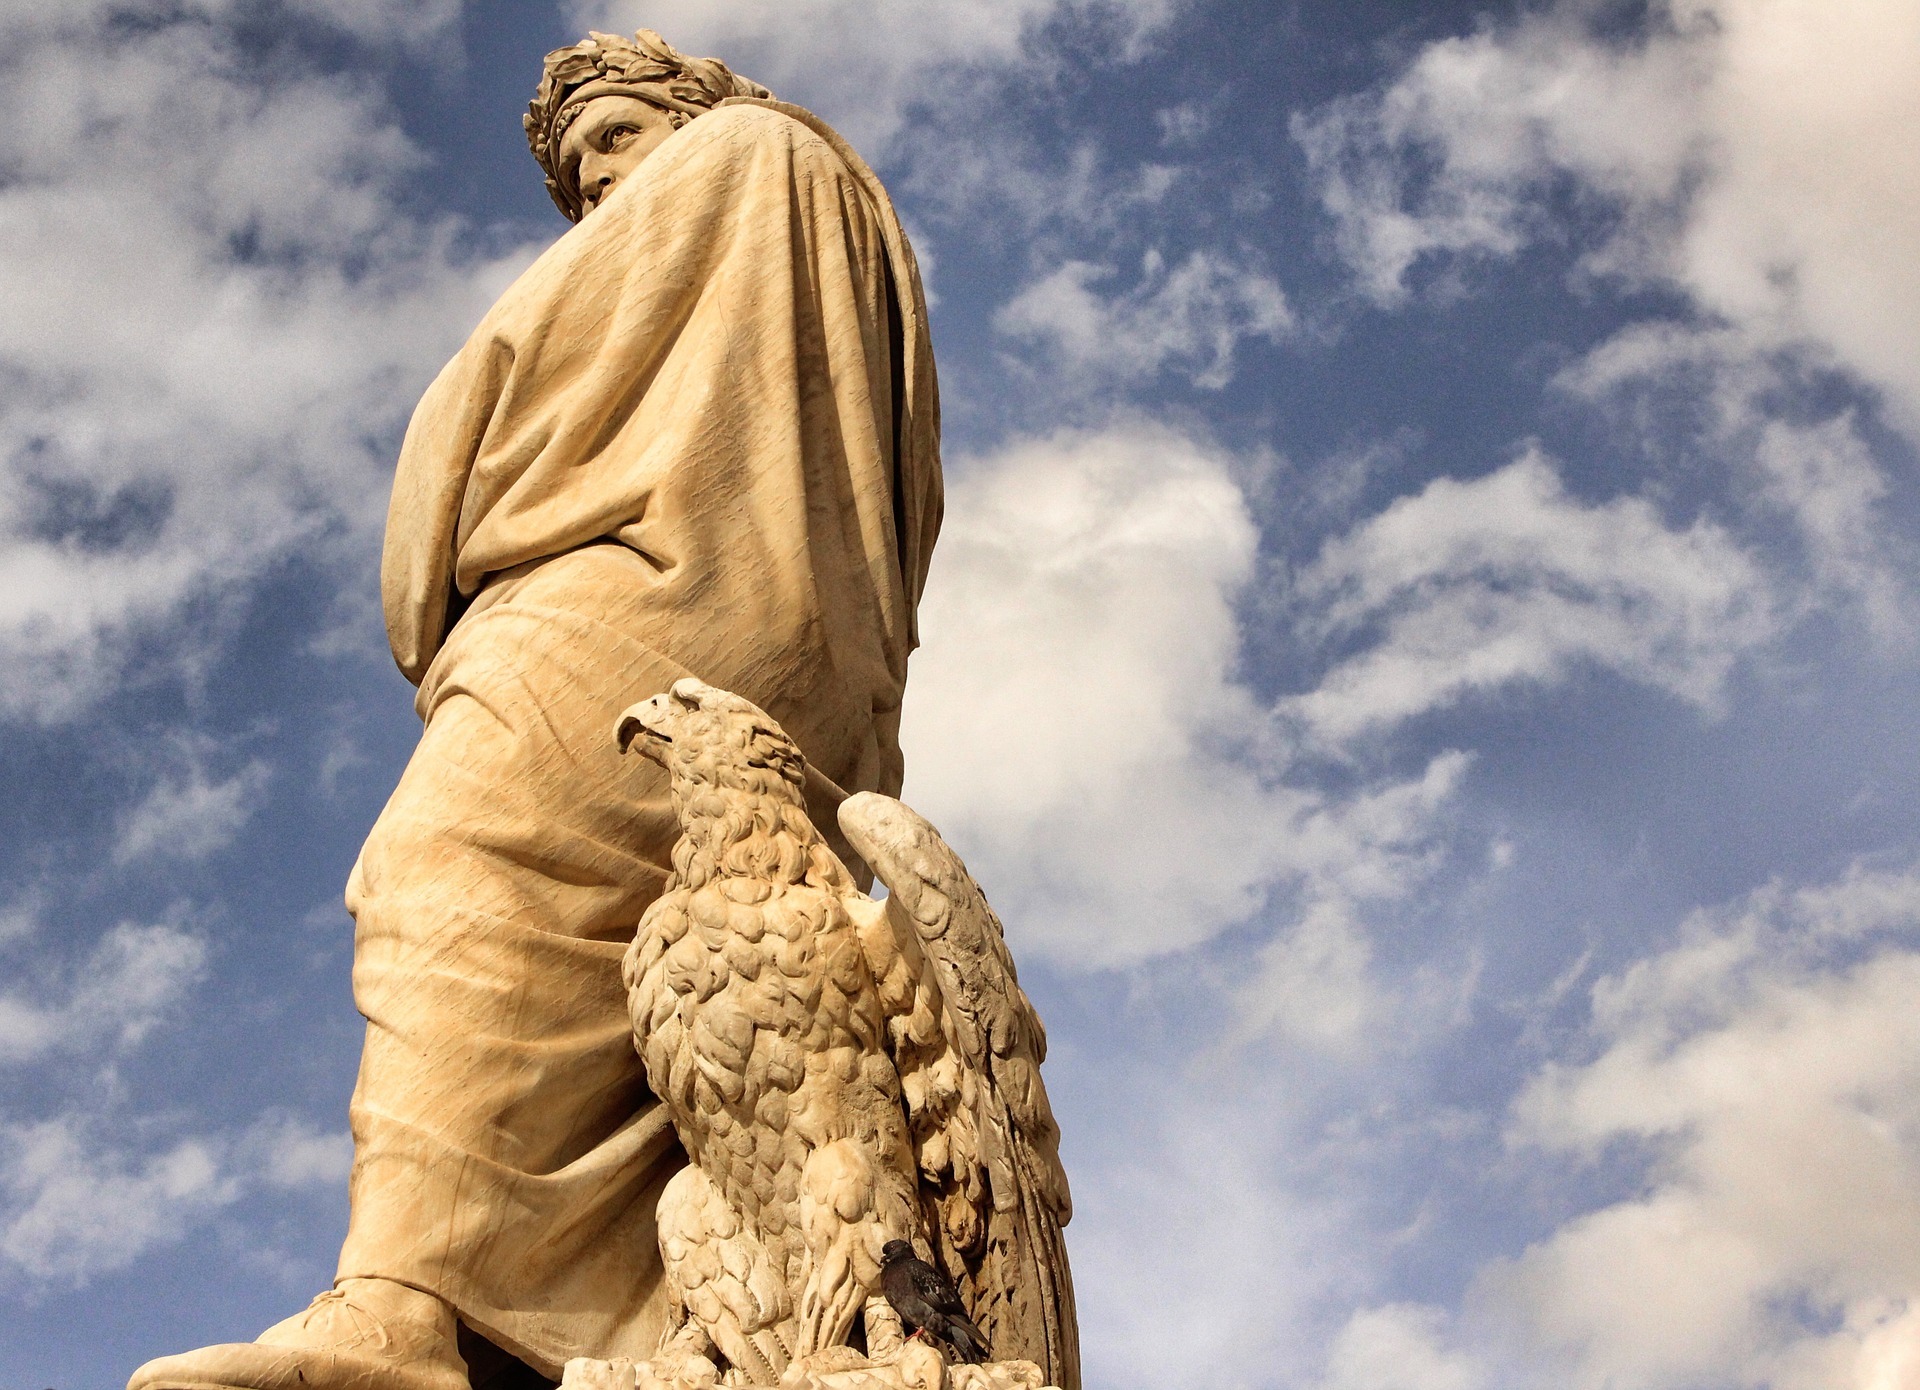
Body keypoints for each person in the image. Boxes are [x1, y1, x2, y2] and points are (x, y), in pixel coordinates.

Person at [130, 29, 941, 1390]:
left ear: (697, 108)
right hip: (767, 636)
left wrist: (437, 517)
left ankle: (403, 1307)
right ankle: (599, 1323)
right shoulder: (816, 227)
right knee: (650, 990)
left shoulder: (754, 151)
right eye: (580, 180)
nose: (603, 193)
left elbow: (499, 377)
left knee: (452, 864)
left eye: (616, 142)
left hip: (663, 587)